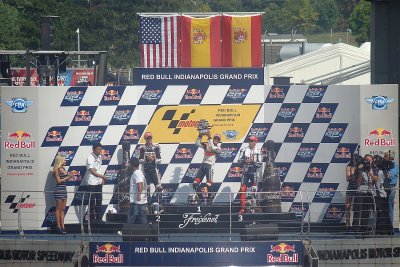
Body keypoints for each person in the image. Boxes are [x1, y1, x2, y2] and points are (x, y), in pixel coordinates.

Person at [192, 131, 222, 199]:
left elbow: (212, 148)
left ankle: (210, 199)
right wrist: (200, 135)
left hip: (209, 166)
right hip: (203, 165)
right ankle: (200, 197)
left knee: (209, 184)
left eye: (218, 139)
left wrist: (209, 137)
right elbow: (197, 143)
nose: (216, 140)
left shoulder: (218, 148)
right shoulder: (206, 145)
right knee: (195, 183)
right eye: (215, 138)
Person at [238, 135, 263, 214]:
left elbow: (259, 164)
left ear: (256, 142)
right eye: (250, 140)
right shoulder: (243, 150)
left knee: (254, 190)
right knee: (242, 190)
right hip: (245, 173)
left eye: (252, 141)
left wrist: (252, 162)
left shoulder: (258, 151)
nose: (250, 142)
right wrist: (244, 161)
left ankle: (253, 208)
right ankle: (242, 208)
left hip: (254, 173)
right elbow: (238, 161)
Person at [354, 154, 378, 233]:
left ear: (372, 161)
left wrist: (369, 172)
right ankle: (356, 228)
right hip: (361, 191)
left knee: (367, 210)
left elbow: (376, 180)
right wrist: (361, 171)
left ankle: (365, 228)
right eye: (366, 160)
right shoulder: (359, 169)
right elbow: (357, 183)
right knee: (358, 210)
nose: (368, 162)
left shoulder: (374, 169)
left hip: (369, 192)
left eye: (370, 160)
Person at [86, 142, 107, 223]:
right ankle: (91, 220)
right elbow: (92, 171)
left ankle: (98, 218)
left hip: (98, 182)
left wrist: (101, 179)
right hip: (92, 183)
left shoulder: (99, 157)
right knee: (92, 202)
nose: (100, 151)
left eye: (100, 149)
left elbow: (98, 169)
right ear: (93, 149)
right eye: (98, 149)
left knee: (99, 200)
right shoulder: (90, 158)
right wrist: (103, 177)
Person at [139, 132, 163, 200]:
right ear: (145, 139)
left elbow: (160, 160)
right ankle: (147, 204)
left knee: (159, 188)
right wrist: (146, 159)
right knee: (147, 189)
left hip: (154, 170)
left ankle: (159, 203)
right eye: (148, 138)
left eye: (150, 138)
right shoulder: (142, 147)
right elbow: (140, 160)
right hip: (145, 171)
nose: (149, 139)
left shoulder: (156, 147)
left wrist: (153, 159)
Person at [53, 155, 71, 234]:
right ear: (60, 161)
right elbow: (58, 181)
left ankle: (63, 226)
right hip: (59, 190)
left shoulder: (63, 169)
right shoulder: (57, 170)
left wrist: (70, 176)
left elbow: (65, 179)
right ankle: (58, 226)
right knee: (58, 209)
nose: (65, 161)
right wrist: (68, 177)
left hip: (64, 190)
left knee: (63, 209)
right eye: (64, 160)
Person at [128, 157, 148, 224]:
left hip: (137, 200)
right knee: (142, 216)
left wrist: (139, 195)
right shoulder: (139, 172)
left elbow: (140, 183)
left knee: (132, 216)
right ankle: (145, 231)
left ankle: (128, 231)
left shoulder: (137, 173)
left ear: (131, 164)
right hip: (139, 199)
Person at [382, 150, 399, 227]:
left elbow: (389, 176)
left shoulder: (395, 166)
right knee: (383, 207)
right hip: (382, 188)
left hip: (391, 188)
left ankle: (390, 226)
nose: (383, 157)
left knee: (389, 206)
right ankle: (383, 225)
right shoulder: (384, 165)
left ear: (390, 158)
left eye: (385, 156)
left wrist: (384, 169)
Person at [345, 154, 360, 229]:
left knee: (358, 206)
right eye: (353, 159)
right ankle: (347, 224)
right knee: (347, 206)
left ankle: (356, 223)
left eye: (355, 159)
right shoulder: (349, 166)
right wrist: (352, 174)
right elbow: (348, 179)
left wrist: (354, 173)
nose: (354, 160)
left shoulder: (360, 166)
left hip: (358, 187)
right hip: (351, 187)